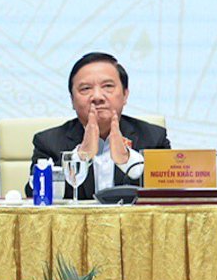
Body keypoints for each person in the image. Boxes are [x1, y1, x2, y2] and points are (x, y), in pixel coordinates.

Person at [26, 52, 170, 200]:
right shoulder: (48, 142)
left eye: (108, 86)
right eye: (85, 89)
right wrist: (80, 157)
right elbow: (35, 196)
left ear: (125, 95)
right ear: (72, 100)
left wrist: (127, 159)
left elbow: (168, 195)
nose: (97, 97)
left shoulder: (153, 138)